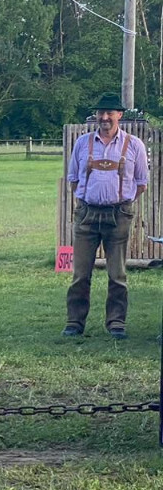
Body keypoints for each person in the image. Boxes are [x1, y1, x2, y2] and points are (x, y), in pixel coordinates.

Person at [63, 93, 149, 340]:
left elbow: (141, 183)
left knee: (117, 274)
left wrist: (121, 204)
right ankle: (74, 323)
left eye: (110, 112)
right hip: (87, 214)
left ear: (119, 115)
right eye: (101, 112)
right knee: (80, 274)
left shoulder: (134, 145)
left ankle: (116, 323)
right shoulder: (82, 143)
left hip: (118, 215)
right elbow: (73, 180)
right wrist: (87, 200)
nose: (104, 117)